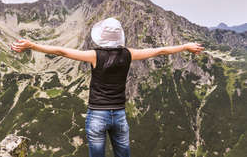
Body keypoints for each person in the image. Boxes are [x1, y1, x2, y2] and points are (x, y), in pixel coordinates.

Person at [10, 17, 204, 157]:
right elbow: (160, 51)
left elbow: (61, 51)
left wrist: (33, 46)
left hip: (97, 115)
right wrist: (185, 46)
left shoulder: (95, 56)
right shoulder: (129, 54)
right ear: (120, 37)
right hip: (118, 115)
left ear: (102, 37)